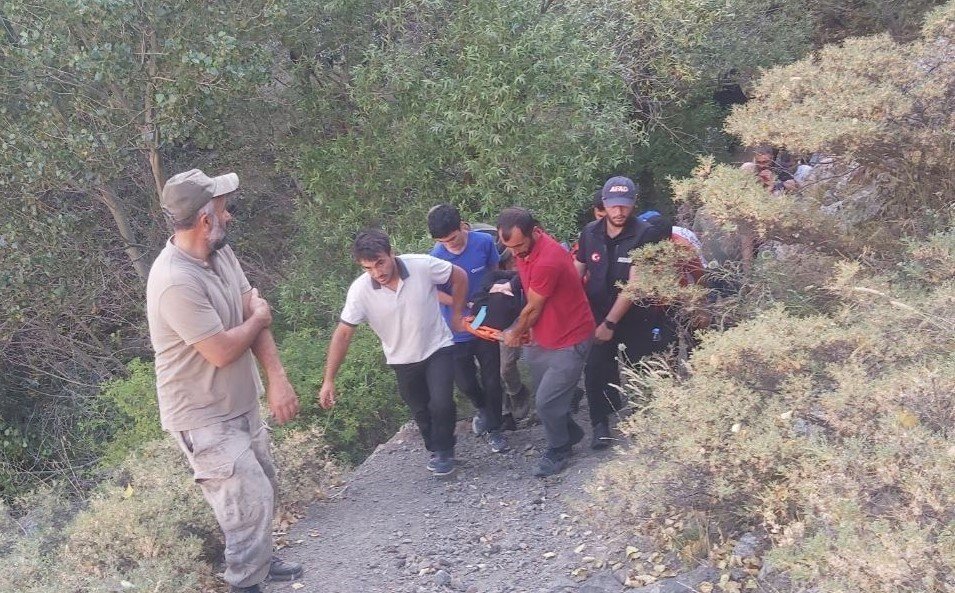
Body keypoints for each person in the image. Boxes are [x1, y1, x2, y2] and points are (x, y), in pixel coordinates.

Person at [146, 169, 302, 593]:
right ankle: (245, 583)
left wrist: (277, 377)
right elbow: (221, 349)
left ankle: (261, 562)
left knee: (263, 485)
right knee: (245, 503)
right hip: (203, 416)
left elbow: (253, 309)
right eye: (222, 208)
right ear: (204, 220)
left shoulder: (220, 252)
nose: (229, 215)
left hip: (241, 402)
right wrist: (258, 318)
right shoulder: (174, 281)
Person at [319, 229, 468, 476]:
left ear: (391, 254)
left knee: (441, 402)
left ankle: (444, 451)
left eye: (380, 263)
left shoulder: (421, 265)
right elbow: (343, 334)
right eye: (368, 268)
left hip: (437, 346)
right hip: (401, 359)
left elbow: (459, 275)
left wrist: (457, 314)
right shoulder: (360, 291)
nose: (377, 273)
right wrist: (329, 380)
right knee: (420, 409)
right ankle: (435, 447)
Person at [497, 208, 595, 477]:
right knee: (548, 396)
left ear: (535, 232)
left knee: (546, 402)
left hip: (570, 338)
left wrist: (514, 332)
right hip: (544, 338)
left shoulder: (548, 260)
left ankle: (559, 449)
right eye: (508, 247)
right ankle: (570, 432)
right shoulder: (526, 250)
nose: (514, 253)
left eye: (519, 246)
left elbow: (533, 308)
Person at [575, 177, 670, 449]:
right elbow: (576, 272)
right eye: (614, 206)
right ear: (604, 204)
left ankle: (646, 422)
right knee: (595, 369)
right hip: (597, 310)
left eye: (625, 206)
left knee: (641, 367)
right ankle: (600, 425)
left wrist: (610, 323)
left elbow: (635, 285)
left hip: (636, 314)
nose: (619, 212)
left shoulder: (646, 234)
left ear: (634, 204)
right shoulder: (590, 232)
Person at [428, 204, 508, 453]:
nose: (449, 245)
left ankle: (495, 428)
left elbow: (495, 271)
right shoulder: (436, 257)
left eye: (452, 238)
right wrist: (462, 304)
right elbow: (435, 292)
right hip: (456, 327)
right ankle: (482, 408)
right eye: (443, 241)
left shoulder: (483, 242)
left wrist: (493, 296)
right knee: (465, 383)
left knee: (492, 378)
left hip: (484, 321)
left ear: (462, 226)